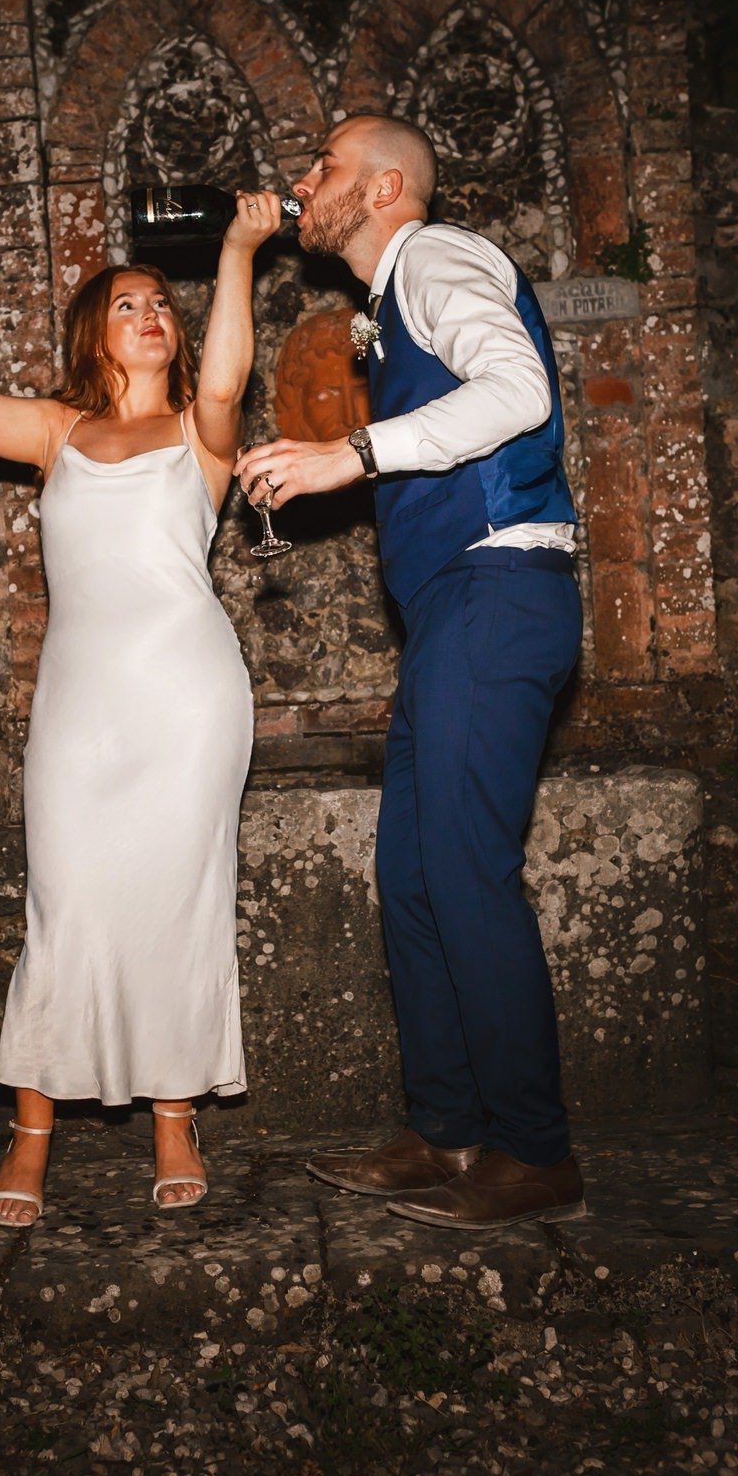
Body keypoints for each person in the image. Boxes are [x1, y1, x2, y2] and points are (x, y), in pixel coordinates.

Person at [0, 192, 282, 1226]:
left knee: (176, 902)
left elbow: (228, 375)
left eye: (162, 301)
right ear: (93, 331)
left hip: (187, 698)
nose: (152, 314)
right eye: (128, 304)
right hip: (82, 704)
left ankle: (174, 1117)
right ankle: (30, 1130)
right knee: (65, 904)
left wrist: (237, 251)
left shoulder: (201, 433)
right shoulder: (57, 431)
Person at [234, 115, 587, 1232]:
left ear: (387, 187)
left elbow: (518, 391)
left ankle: (531, 1153)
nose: (303, 183)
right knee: (414, 878)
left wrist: (352, 453)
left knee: (465, 877)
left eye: (324, 167)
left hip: (499, 587)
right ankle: (446, 1131)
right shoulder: (381, 309)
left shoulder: (435, 256)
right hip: (451, 613)